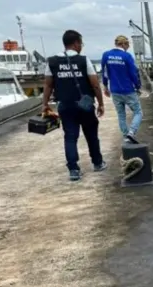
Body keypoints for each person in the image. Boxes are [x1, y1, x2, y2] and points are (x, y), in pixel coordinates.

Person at [42, 29, 106, 181]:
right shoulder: (84, 60)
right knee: (91, 135)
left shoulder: (52, 62)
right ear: (76, 43)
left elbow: (48, 85)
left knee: (70, 137)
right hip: (85, 105)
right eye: (81, 43)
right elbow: (95, 84)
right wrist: (101, 103)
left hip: (65, 105)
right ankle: (97, 163)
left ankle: (73, 170)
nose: (81, 46)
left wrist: (45, 104)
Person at [100, 35, 142, 143]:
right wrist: (137, 86)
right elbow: (133, 73)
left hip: (115, 90)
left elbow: (104, 73)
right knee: (138, 112)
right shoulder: (127, 56)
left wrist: (105, 86)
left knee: (121, 114)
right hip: (128, 90)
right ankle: (131, 132)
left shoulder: (106, 55)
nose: (128, 47)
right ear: (123, 44)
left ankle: (125, 137)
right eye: (127, 45)